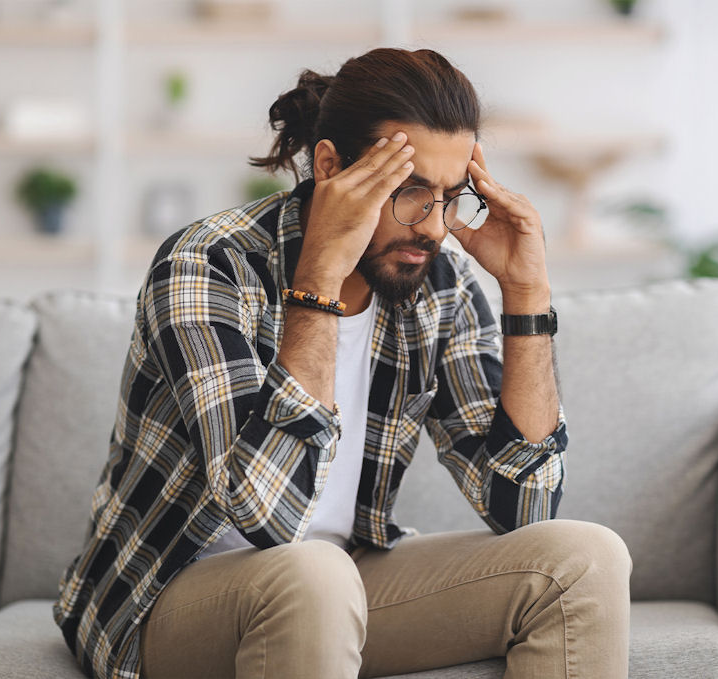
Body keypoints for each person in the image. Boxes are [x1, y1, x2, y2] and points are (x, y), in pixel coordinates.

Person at [54, 47, 631, 679]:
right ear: (330, 166)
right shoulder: (208, 264)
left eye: (451, 197)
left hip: (337, 580)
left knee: (585, 557)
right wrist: (319, 280)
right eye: (410, 193)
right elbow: (266, 517)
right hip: (165, 599)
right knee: (312, 571)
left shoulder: (440, 283)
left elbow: (525, 511)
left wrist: (527, 298)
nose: (434, 228)